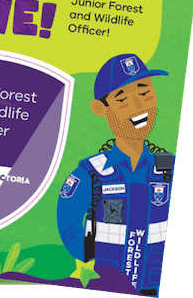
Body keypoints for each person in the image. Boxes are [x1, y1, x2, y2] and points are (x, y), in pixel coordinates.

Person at [57, 53, 174, 296]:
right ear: (100, 108)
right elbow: (68, 222)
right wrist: (92, 264)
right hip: (105, 284)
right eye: (123, 99)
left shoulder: (167, 168)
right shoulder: (91, 173)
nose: (140, 106)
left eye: (145, 93)